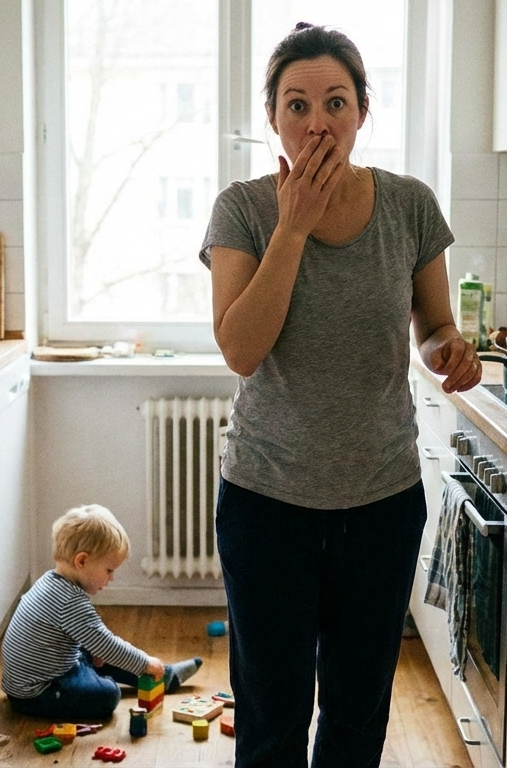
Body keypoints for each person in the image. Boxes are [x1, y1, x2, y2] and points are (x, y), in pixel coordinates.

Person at [199, 22, 481, 767]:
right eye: (297, 105)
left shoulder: (410, 205)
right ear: (273, 119)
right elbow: (240, 349)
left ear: (361, 111)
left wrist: (447, 347)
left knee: (358, 717)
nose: (317, 121)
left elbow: (433, 323)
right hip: (267, 505)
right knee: (272, 716)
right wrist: (291, 229)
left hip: (381, 504)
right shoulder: (243, 210)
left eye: (335, 102)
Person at [0, 504, 203, 720]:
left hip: (44, 672)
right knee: (108, 694)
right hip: (39, 692)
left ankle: (165, 676)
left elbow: (81, 638)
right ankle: (142, 673)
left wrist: (97, 649)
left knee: (103, 651)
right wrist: (145, 662)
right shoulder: (69, 601)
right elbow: (108, 645)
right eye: (109, 570)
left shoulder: (50, 581)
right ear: (82, 561)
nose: (111, 578)